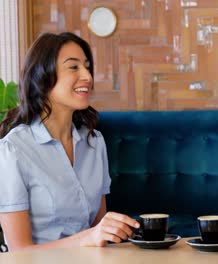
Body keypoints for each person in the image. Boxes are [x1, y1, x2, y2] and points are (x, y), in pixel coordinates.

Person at [0, 32, 139, 251]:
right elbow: (20, 253)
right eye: (73, 67)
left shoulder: (94, 143)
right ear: (42, 77)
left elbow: (97, 231)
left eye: (87, 66)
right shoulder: (13, 150)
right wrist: (88, 238)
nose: (87, 76)